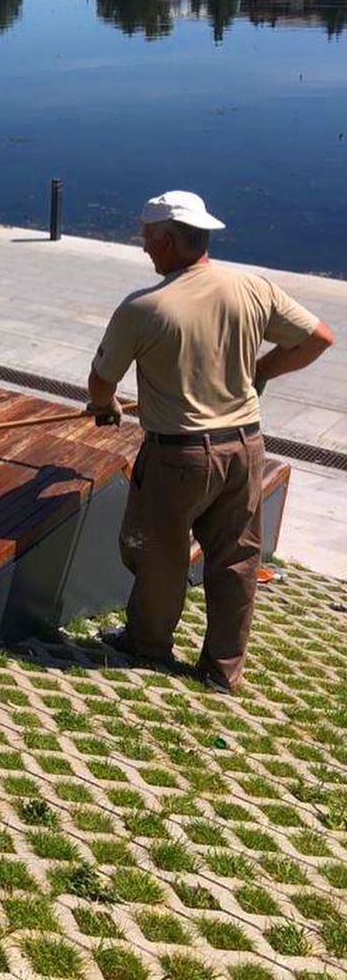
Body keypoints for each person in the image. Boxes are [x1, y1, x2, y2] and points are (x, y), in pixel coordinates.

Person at [87, 190, 333, 694]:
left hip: (177, 456)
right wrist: (261, 370)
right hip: (245, 450)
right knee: (238, 561)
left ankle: (147, 646)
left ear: (172, 240)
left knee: (160, 557)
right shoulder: (253, 287)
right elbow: (317, 338)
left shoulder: (144, 307)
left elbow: (100, 381)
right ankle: (223, 671)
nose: (144, 249)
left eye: (149, 239)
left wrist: (106, 408)